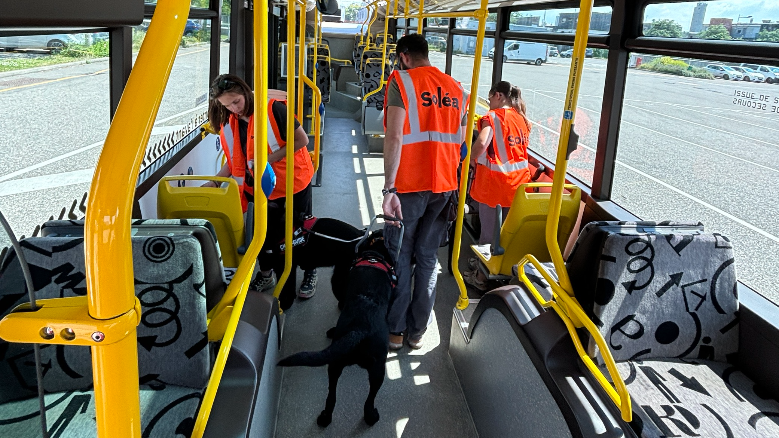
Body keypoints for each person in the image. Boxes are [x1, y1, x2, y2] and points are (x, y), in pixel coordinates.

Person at [382, 34, 468, 350]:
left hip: (408, 184)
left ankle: (395, 330)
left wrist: (389, 187)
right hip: (445, 185)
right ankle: (418, 332)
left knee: (401, 255)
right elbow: (459, 142)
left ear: (404, 57)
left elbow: (393, 137)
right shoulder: (456, 88)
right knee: (428, 258)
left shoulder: (401, 82)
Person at [207, 74, 318, 300]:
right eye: (227, 105)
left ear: (245, 91)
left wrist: (268, 158)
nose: (234, 108)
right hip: (260, 189)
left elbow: (302, 140)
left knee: (299, 232)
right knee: (264, 235)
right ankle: (267, 274)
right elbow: (236, 159)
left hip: (292, 181)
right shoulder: (231, 121)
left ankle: (309, 271)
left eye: (236, 101)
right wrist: (215, 180)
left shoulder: (273, 110)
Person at [463, 81, 532, 291]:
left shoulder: (493, 118)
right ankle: (491, 267)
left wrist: (467, 160)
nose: (490, 102)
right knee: (506, 235)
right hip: (519, 187)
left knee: (488, 236)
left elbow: (483, 143)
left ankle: (481, 278)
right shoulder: (522, 119)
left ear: (499, 96)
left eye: (490, 97)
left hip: (495, 186)